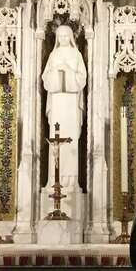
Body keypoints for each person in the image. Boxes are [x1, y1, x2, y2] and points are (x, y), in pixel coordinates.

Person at [41, 25, 87, 188]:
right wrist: (56, 73)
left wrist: (67, 70)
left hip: (71, 102)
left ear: (71, 37)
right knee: (56, 139)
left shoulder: (76, 54)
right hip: (58, 101)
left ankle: (72, 180)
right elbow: (45, 77)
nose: (63, 39)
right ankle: (53, 180)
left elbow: (82, 78)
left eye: (65, 36)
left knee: (71, 138)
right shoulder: (53, 54)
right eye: (59, 37)